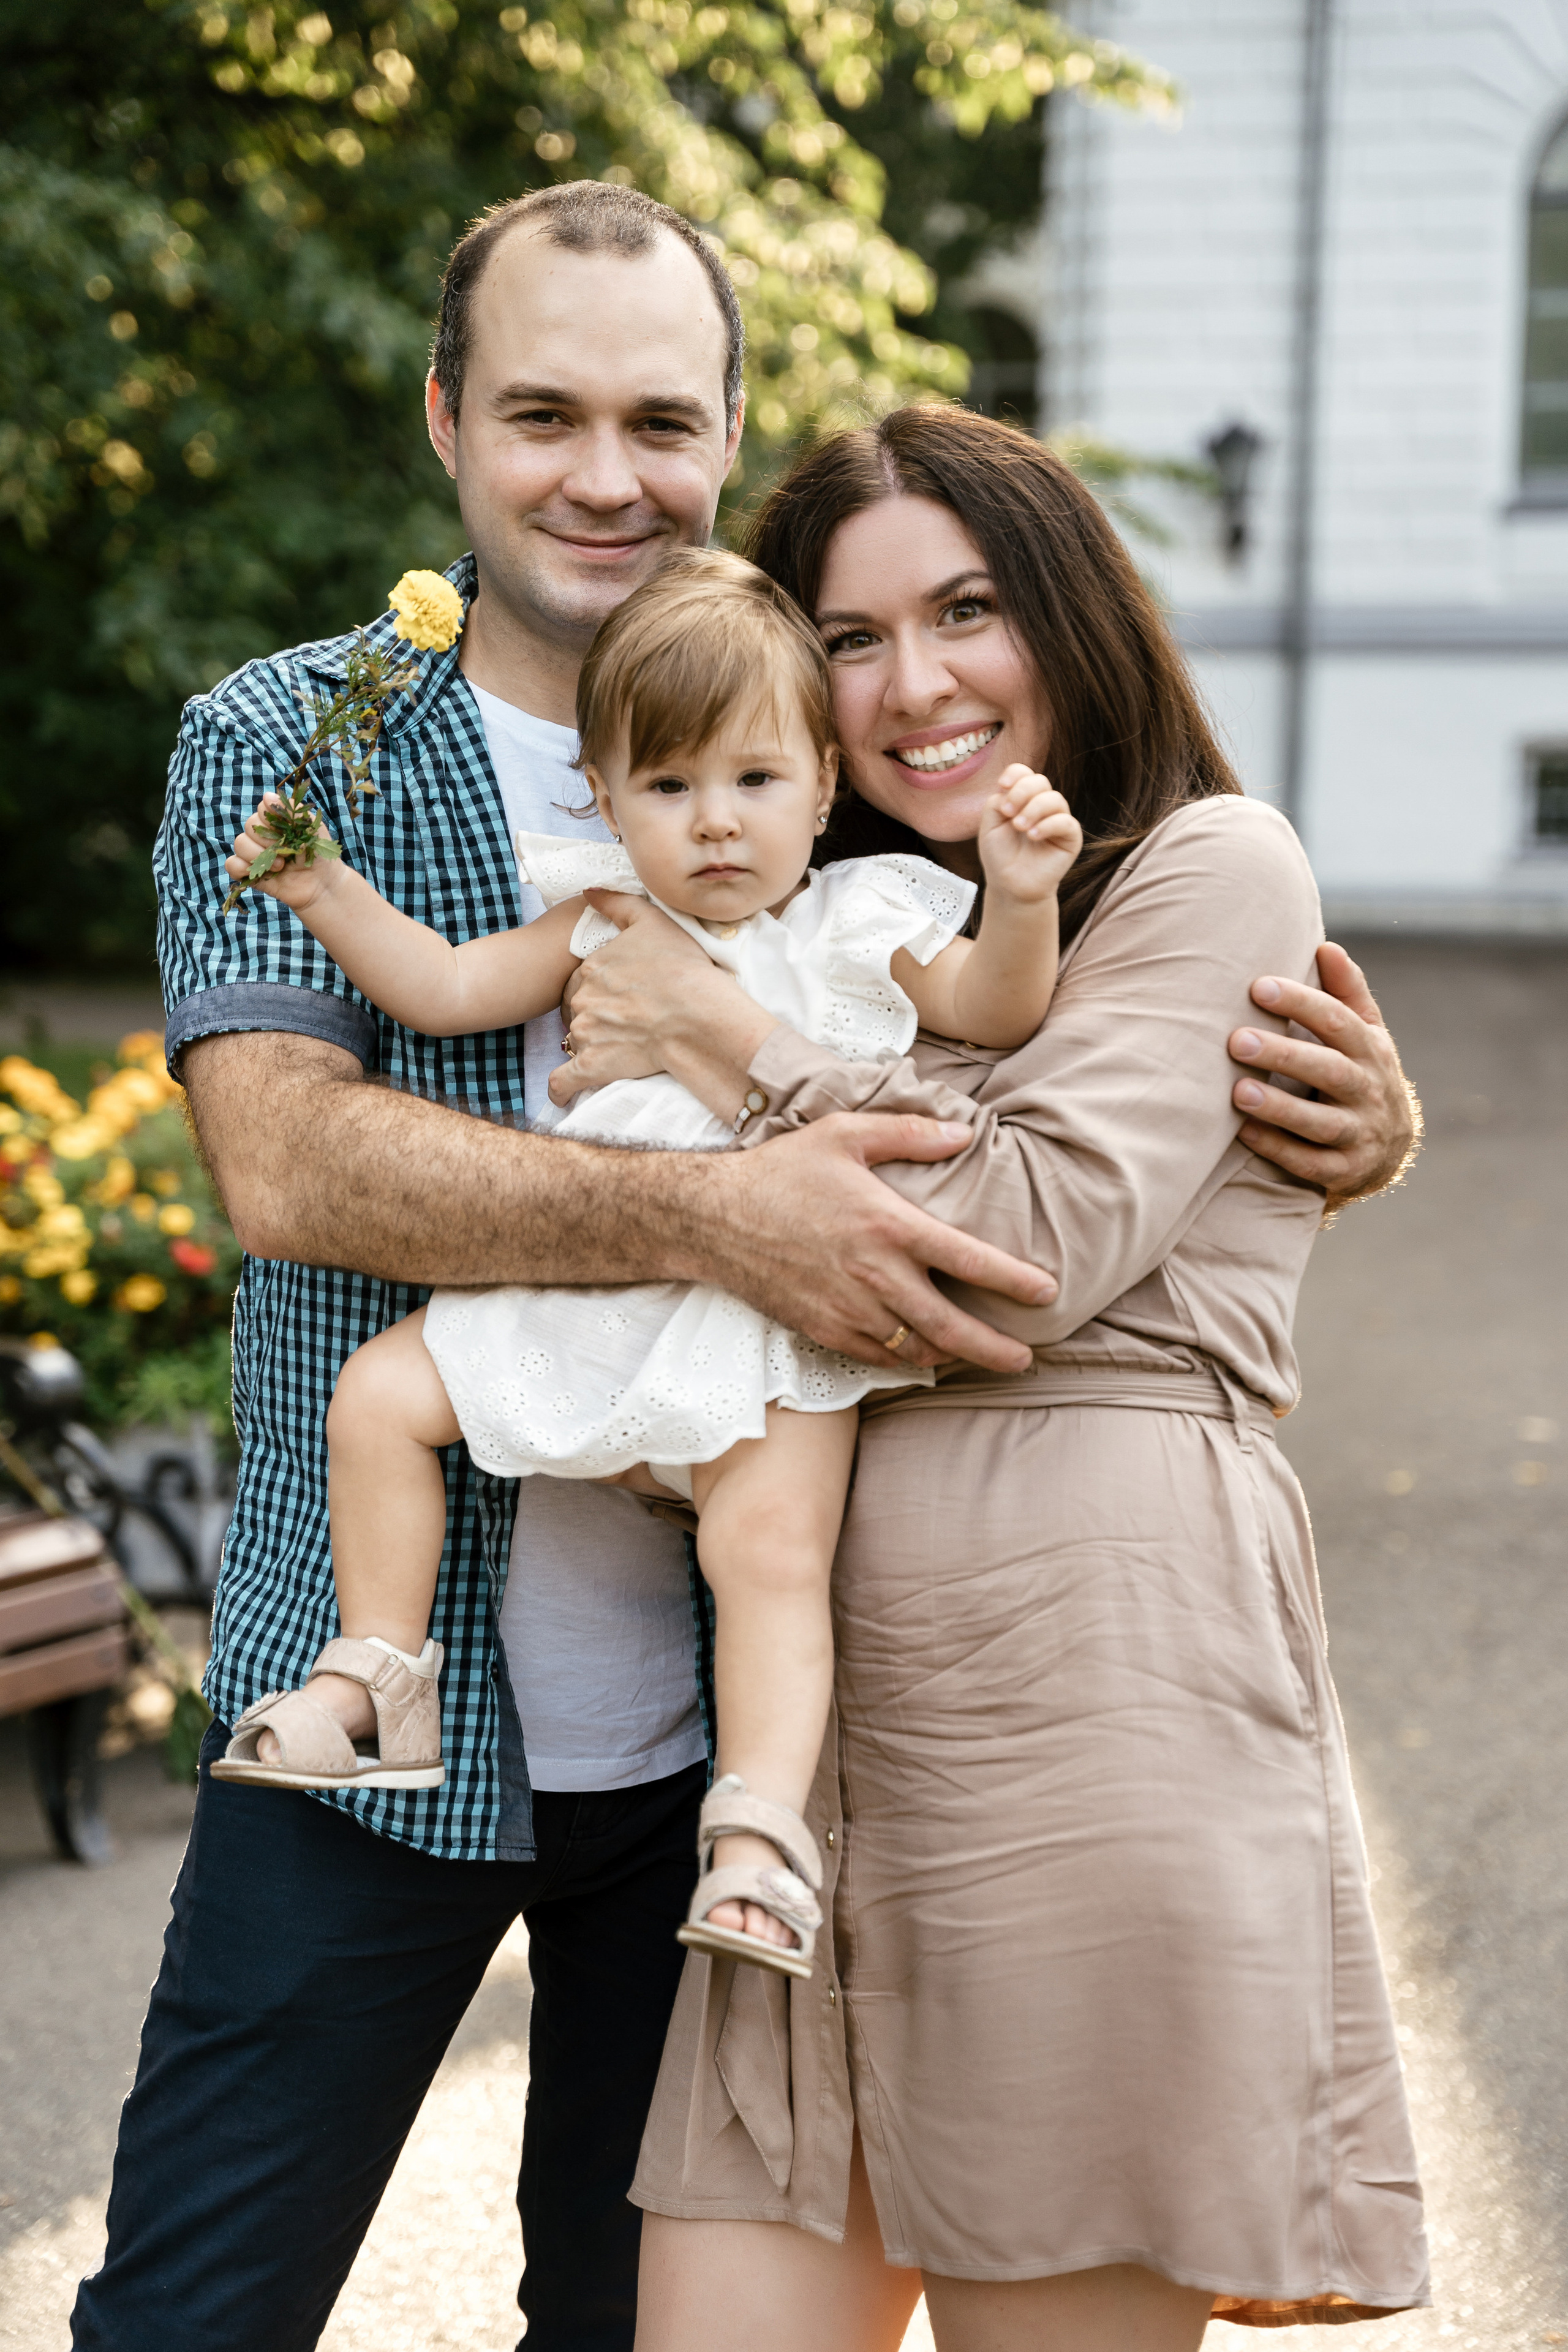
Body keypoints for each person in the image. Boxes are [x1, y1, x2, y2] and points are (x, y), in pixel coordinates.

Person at [70, 178, 1417, 2352]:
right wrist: (722, 1201)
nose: (606, 473)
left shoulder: (841, 799)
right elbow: (288, 1164)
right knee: (190, 2317)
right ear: (444, 423)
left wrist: (1340, 1147)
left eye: (661, 420)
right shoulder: (300, 741)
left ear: (723, 436)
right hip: (381, 1703)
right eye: (540, 412)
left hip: (733, 1760)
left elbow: (1041, 1060)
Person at [537, 408, 1431, 2350]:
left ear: (1074, 612)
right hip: (810, 1775)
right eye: (852, 639)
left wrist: (722, 1042)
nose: (915, 684)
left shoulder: (1209, 863)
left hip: (1098, 1715)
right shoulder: (821, 924)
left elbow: (1012, 1255)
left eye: (968, 610)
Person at [209, 548, 1081, 1991]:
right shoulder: (602, 916)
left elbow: (997, 1006)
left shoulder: (864, 913)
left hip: (770, 1310)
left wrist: (1023, 892)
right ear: (602, 801)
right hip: (598, 1275)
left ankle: (752, 1840)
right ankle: (376, 1674)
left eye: (750, 781)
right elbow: (435, 983)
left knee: (767, 1553)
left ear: (820, 781)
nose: (714, 824)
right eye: (666, 787)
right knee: (375, 1397)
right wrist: (316, 887)